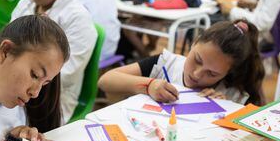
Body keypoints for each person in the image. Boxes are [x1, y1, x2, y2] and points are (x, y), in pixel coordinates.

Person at [10, 0, 97, 122]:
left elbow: (64, 74)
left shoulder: (77, 18)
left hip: (52, 99)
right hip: (15, 86)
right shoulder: (25, 5)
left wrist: (15, 77)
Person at [99, 20, 265, 105]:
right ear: (194, 42)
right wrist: (148, 85)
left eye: (212, 74)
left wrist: (223, 110)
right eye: (197, 59)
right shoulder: (167, 63)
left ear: (228, 72)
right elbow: (106, 80)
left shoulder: (231, 95)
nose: (197, 74)